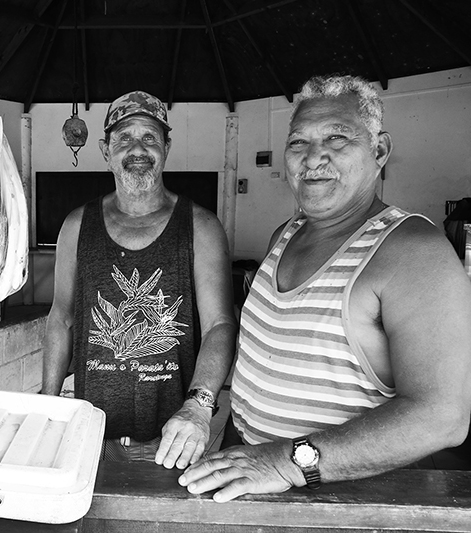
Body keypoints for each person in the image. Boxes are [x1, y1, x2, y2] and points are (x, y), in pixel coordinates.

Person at [178, 75, 471, 501]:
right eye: (298, 142)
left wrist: (287, 461)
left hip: (335, 493)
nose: (314, 157)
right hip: (246, 467)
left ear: (380, 150)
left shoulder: (412, 251)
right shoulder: (287, 232)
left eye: (337, 137)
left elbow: (442, 415)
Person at [41, 91, 237, 468]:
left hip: (174, 434)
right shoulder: (77, 225)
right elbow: (61, 318)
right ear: (104, 148)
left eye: (149, 137)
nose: (138, 148)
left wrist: (199, 406)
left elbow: (219, 325)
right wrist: (50, 401)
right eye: (124, 138)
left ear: (166, 145)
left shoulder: (201, 226)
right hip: (90, 427)